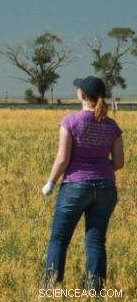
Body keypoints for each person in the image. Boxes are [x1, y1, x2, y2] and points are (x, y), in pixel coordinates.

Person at [41, 76, 124, 291]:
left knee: (59, 238)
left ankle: (50, 287)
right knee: (96, 241)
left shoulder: (71, 121)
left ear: (82, 95)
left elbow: (62, 159)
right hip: (106, 186)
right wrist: (101, 170)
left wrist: (50, 182)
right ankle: (94, 290)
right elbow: (120, 162)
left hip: (75, 186)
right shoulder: (112, 126)